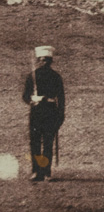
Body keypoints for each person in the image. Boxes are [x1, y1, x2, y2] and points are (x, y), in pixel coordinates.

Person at [22, 45, 65, 182]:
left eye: (47, 60)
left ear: (51, 61)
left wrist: (60, 115)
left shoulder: (56, 77)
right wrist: (32, 99)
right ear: (39, 60)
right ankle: (36, 172)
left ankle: (46, 173)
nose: (44, 62)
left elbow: (61, 98)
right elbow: (25, 96)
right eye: (42, 60)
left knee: (47, 143)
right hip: (36, 111)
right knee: (35, 143)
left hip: (51, 112)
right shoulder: (32, 76)